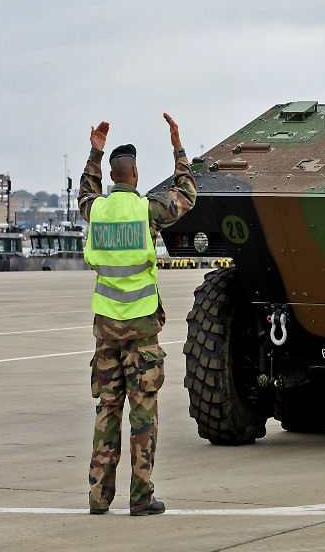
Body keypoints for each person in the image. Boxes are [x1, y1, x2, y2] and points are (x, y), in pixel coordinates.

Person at [79, 113, 197, 516]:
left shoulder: (97, 211)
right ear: (135, 174)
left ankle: (98, 497)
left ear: (112, 175)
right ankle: (141, 498)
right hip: (143, 327)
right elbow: (187, 193)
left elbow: (83, 195)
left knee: (107, 410)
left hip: (107, 330)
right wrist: (178, 147)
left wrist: (94, 153)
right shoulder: (147, 211)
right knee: (142, 415)